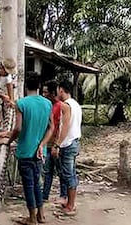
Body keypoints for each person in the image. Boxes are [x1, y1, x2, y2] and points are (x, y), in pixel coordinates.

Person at [7, 73, 55, 225]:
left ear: (26, 86)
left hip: (25, 151)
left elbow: (18, 128)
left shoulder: (21, 103)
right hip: (40, 152)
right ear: (39, 86)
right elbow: (51, 128)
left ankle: (32, 218)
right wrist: (42, 144)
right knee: (37, 183)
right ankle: (41, 215)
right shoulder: (47, 104)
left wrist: (9, 141)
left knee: (28, 185)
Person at [39, 80, 82, 216]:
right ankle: (68, 202)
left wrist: (57, 144)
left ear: (61, 90)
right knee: (68, 173)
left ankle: (70, 205)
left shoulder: (65, 106)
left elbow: (65, 127)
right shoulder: (75, 104)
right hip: (73, 141)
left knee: (69, 175)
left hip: (67, 144)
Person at [41, 81, 68, 204]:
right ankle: (45, 195)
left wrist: (57, 144)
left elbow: (61, 127)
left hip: (56, 144)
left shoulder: (60, 106)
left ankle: (64, 195)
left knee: (60, 170)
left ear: (52, 93)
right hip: (47, 142)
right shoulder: (46, 105)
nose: (44, 94)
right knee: (48, 171)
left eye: (46, 92)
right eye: (43, 92)